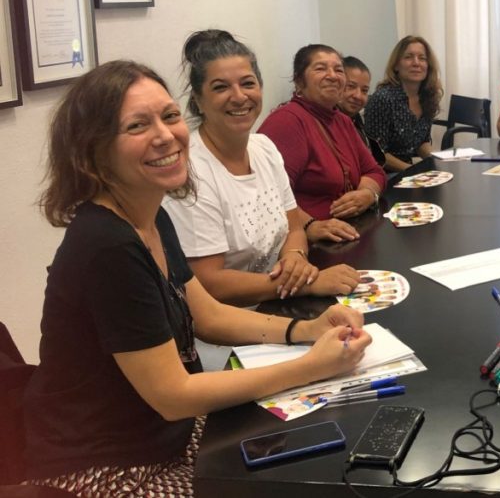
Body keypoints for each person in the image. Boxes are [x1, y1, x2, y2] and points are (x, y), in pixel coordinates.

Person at [23, 60, 372, 496]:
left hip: (165, 438)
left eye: (169, 116)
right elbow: (173, 395)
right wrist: (309, 367)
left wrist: (304, 330)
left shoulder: (150, 215)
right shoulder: (106, 247)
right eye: (137, 126)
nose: (166, 136)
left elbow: (206, 315)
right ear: (94, 151)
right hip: (107, 466)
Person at [163, 30, 362, 307]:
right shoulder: (190, 172)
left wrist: (295, 257)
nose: (239, 96)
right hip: (230, 331)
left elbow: (294, 227)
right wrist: (306, 283)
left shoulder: (264, 148)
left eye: (248, 83)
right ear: (197, 99)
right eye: (220, 87)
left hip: (280, 303)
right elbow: (210, 283)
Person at [259, 45, 387, 223]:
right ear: (299, 81)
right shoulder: (286, 122)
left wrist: (367, 194)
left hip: (353, 229)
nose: (333, 76)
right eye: (320, 68)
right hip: (313, 241)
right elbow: (271, 197)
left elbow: (374, 171)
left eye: (338, 70)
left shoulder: (343, 121)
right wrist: (310, 227)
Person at [364, 36, 444, 171]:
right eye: (408, 57)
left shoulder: (428, 97)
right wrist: (413, 171)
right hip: (383, 175)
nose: (416, 63)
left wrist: (438, 161)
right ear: (396, 65)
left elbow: (421, 143)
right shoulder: (383, 99)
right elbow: (377, 154)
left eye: (422, 58)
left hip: (408, 171)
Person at [338, 55, 386, 168]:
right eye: (350, 86)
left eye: (364, 90)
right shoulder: (329, 122)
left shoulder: (355, 119)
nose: (358, 96)